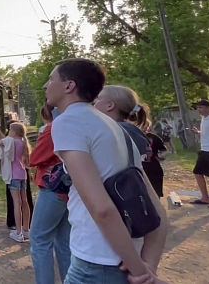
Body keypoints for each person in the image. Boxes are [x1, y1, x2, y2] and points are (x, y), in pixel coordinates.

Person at [45, 58, 169, 284]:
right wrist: (145, 266)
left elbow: (101, 209)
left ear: (68, 86)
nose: (46, 85)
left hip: (95, 261)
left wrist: (140, 271)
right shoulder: (117, 128)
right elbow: (159, 213)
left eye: (51, 79)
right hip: (122, 258)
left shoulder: (68, 122)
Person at [96, 85, 167, 198]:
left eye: (98, 98)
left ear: (110, 105)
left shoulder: (113, 132)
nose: (94, 102)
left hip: (114, 196)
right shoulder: (130, 130)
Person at [29, 105, 71, 284]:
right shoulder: (72, 124)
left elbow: (34, 158)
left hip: (52, 188)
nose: (46, 86)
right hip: (69, 190)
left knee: (39, 239)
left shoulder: (52, 129)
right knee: (63, 243)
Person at [0, 122, 31, 243]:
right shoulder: (22, 142)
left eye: (10, 130)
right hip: (23, 175)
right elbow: (6, 140)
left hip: (13, 176)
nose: (8, 132)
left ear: (14, 132)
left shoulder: (10, 142)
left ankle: (18, 233)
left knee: (16, 203)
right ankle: (26, 229)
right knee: (24, 202)